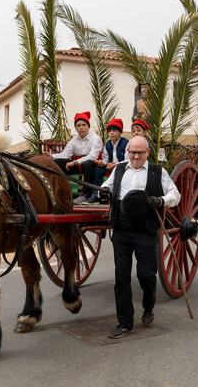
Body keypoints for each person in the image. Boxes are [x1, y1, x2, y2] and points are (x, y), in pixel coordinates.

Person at [101, 136, 180, 339]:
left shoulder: (157, 171)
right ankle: (125, 323)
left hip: (146, 230)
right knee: (121, 278)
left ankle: (148, 307)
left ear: (147, 153)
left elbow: (175, 194)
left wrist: (161, 200)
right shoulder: (119, 169)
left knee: (146, 275)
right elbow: (107, 187)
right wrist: (102, 192)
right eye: (132, 153)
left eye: (140, 153)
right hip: (121, 231)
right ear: (127, 151)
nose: (136, 157)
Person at [45, 111, 102, 204]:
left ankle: (85, 194)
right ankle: (61, 191)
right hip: (79, 165)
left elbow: (93, 156)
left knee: (88, 163)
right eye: (78, 125)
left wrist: (75, 162)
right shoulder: (74, 140)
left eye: (84, 124)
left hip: (92, 165)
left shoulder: (95, 138)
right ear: (75, 128)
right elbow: (65, 155)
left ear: (88, 126)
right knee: (59, 162)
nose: (81, 127)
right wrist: (52, 156)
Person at [89, 118, 128, 203]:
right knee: (98, 169)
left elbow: (127, 160)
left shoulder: (126, 143)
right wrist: (102, 163)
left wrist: (116, 165)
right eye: (110, 131)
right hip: (110, 165)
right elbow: (105, 158)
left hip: (121, 166)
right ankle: (96, 194)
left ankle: (115, 197)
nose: (111, 133)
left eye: (114, 130)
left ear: (120, 132)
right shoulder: (108, 144)